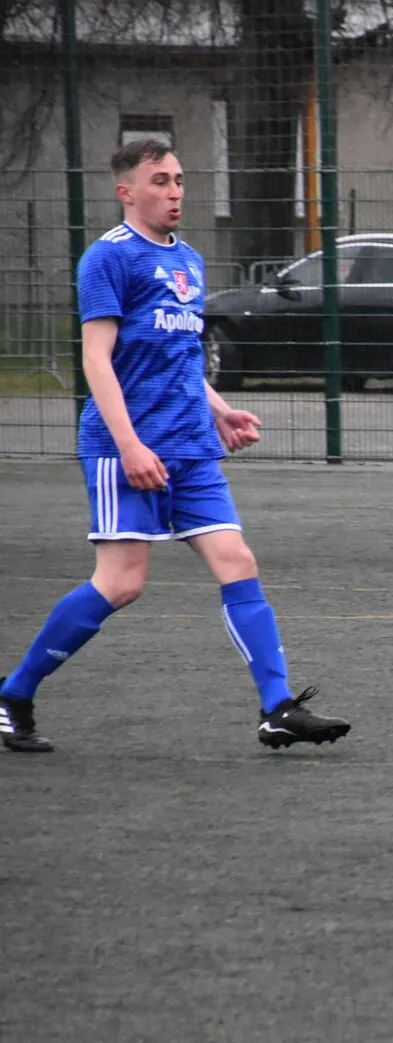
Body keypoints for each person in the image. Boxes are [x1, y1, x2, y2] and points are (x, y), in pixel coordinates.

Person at [0, 140, 349, 754]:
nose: (175, 192)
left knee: (237, 561)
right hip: (125, 449)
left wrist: (220, 411)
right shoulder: (108, 258)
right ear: (127, 192)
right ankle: (13, 694)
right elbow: (96, 361)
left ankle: (277, 708)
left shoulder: (187, 259)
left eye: (180, 180)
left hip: (190, 447)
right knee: (121, 583)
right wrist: (130, 446)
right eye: (160, 181)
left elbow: (182, 357)